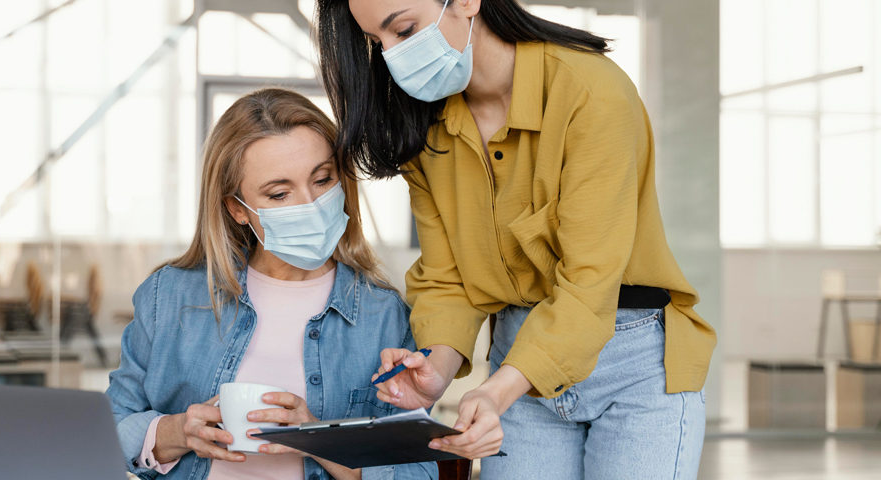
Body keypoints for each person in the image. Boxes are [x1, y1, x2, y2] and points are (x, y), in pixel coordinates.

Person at [315, 0, 716, 477]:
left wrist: (495, 390)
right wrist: (435, 374)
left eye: (403, 30)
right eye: (378, 43)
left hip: (633, 366)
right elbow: (448, 278)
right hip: (516, 359)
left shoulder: (590, 91)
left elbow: (589, 285)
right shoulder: (423, 128)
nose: (394, 56)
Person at [106, 88, 437, 480]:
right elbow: (106, 429)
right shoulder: (171, 296)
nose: (310, 203)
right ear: (237, 209)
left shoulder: (382, 315)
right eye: (280, 193)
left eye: (322, 179)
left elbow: (418, 470)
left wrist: (318, 436)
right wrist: (178, 432)